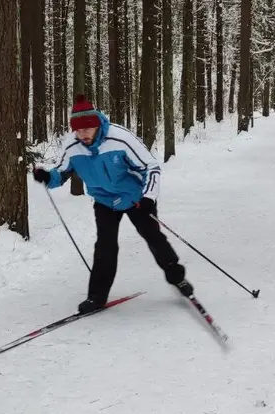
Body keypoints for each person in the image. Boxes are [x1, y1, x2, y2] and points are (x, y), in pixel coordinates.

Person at [33, 95, 194, 314]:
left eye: (87, 129)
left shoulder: (119, 138)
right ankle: (96, 297)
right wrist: (46, 177)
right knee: (105, 246)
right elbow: (61, 173)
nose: (83, 135)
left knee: (153, 236)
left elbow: (151, 167)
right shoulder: (72, 146)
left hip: (135, 197)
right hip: (104, 200)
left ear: (97, 124)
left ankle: (177, 277)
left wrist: (148, 197)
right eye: (78, 131)